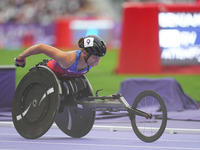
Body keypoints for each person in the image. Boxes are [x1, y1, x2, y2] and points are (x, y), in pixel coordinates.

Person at [14, 34, 107, 78]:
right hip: (45, 74)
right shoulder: (68, 59)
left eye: (99, 58)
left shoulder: (89, 62)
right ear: (85, 53)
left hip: (62, 79)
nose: (97, 61)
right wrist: (21, 57)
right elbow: (40, 47)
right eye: (95, 57)